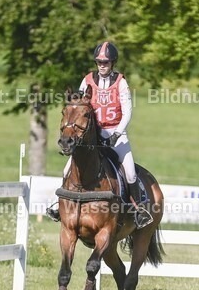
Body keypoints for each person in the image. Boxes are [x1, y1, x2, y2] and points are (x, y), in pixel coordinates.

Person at [48, 41, 153, 227]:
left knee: (130, 173)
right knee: (66, 169)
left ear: (112, 62)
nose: (102, 65)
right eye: (99, 62)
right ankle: (59, 205)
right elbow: (78, 104)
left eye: (105, 62)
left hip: (116, 133)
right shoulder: (88, 79)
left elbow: (127, 111)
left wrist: (117, 133)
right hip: (92, 134)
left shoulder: (121, 82)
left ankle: (138, 210)